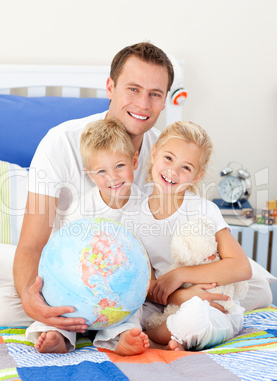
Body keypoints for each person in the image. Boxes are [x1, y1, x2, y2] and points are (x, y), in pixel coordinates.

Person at [0, 42, 273, 332]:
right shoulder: (60, 143)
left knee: (260, 286)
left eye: (155, 94)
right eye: (133, 89)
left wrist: (178, 282)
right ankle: (162, 310)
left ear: (164, 102)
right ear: (110, 87)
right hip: (76, 275)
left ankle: (145, 313)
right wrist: (29, 297)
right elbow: (32, 243)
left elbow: (181, 224)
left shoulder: (165, 152)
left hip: (143, 277)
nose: (143, 104)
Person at [94, 121, 252, 352]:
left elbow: (241, 267)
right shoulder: (133, 208)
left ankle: (156, 337)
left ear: (196, 176)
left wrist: (180, 276)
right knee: (120, 301)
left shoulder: (203, 209)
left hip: (205, 302)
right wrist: (179, 296)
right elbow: (142, 280)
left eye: (186, 168)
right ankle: (134, 335)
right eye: (168, 158)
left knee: (199, 318)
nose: (173, 171)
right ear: (155, 153)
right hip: (159, 303)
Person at [25, 118, 150, 354]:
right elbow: (67, 251)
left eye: (120, 166)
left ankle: (120, 337)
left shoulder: (145, 206)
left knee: (135, 307)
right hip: (80, 281)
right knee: (58, 306)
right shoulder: (82, 209)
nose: (112, 177)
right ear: (90, 175)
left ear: (134, 161)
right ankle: (58, 336)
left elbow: (146, 255)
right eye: (101, 171)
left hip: (120, 286)